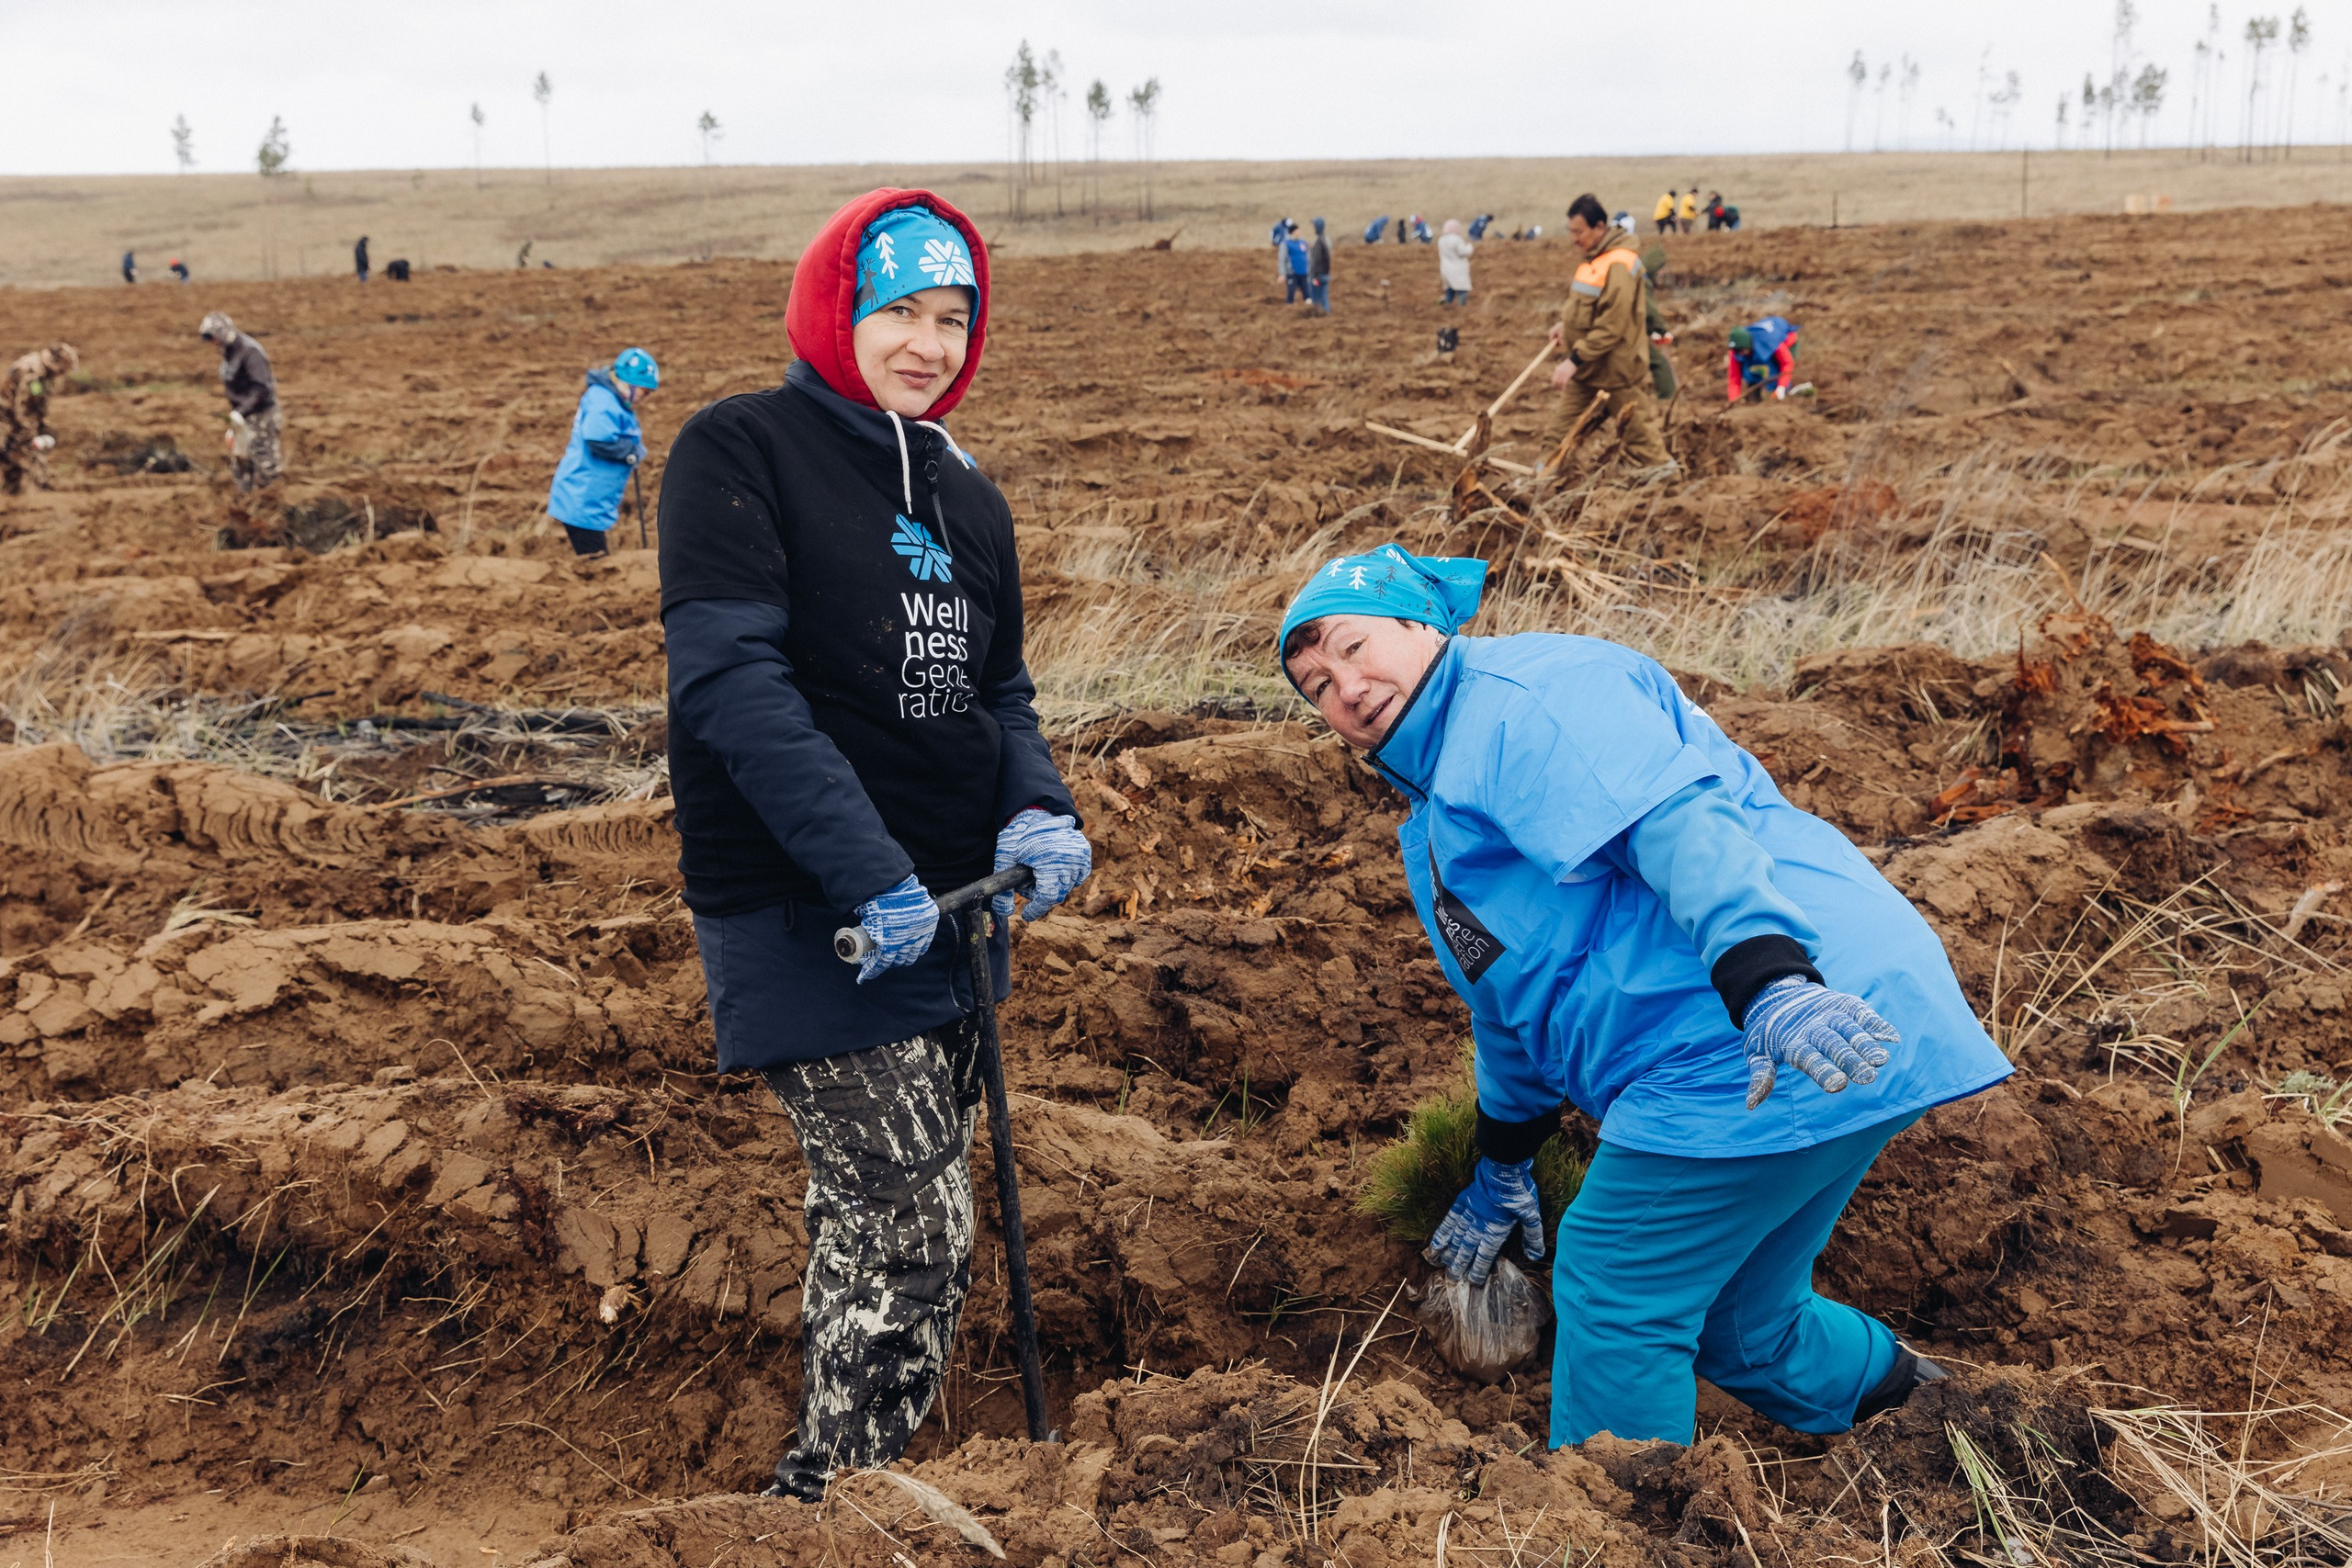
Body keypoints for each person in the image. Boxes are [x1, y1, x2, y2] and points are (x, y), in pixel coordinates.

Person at [1273, 545, 2011, 1452]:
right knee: (1741, 1321)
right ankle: (1947, 1426)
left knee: (1616, 1279)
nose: (1343, 687)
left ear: (1424, 624)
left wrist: (1769, 978)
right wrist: (1504, 1158)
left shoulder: (1523, 700)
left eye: (1355, 646)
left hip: (1772, 1027)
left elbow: (1676, 824)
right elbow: (1509, 996)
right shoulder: (1437, 815)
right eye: (1314, 684)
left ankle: (1619, 1520)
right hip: (1798, 1029)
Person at [656, 187, 1090, 1504]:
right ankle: (841, 1500)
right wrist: (866, 869)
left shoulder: (968, 490)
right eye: (898, 307)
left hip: (954, 912)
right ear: (836, 308)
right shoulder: (740, 449)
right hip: (816, 913)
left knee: (880, 1203)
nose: (928, 341)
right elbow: (733, 683)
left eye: (953, 316)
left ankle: (842, 1470)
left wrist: (1040, 805)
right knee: (914, 1221)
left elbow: (996, 691)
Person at [1542, 194, 1673, 481]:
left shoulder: (1620, 264)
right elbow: (1587, 306)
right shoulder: (1594, 259)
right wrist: (1565, 324)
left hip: (1615, 374)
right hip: (1589, 372)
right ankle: (1538, 486)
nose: (1574, 239)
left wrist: (1573, 361)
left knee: (1642, 441)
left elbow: (1611, 325)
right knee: (1556, 436)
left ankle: (1671, 489)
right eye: (1571, 231)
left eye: (1579, 232)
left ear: (1599, 227)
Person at [547, 348, 658, 556]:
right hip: (582, 500)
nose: (646, 398)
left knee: (595, 556)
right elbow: (597, 439)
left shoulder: (614, 400)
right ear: (629, 383)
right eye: (645, 391)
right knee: (595, 563)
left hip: (592, 501)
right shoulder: (602, 400)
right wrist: (631, 452)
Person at [198, 311, 281, 491]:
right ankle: (246, 504)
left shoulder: (250, 352)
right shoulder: (229, 352)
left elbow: (263, 388)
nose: (213, 343)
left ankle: (272, 505)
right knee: (242, 465)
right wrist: (236, 419)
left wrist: (240, 412)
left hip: (261, 416)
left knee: (265, 464)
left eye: (213, 338)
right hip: (243, 417)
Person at [2, 342, 78, 496]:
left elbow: (37, 404)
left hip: (16, 419)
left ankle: (16, 492)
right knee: (17, 455)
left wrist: (42, 426)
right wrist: (29, 431)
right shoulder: (30, 372)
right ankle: (30, 491)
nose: (62, 374)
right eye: (62, 370)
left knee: (20, 455)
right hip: (6, 419)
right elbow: (21, 407)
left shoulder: (42, 373)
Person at [1727, 316, 1801, 402]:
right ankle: (1754, 396)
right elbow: (1734, 377)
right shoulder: (1736, 350)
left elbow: (1787, 363)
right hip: (1757, 350)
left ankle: (1784, 394)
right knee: (1750, 371)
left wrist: (1781, 386)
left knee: (1774, 372)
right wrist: (1733, 400)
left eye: (1741, 350)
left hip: (1786, 340)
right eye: (1736, 351)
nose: (1739, 353)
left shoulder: (1771, 342)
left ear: (1748, 345)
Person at [1437, 219, 1474, 306]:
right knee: (1463, 290)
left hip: (1445, 269)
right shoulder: (1456, 239)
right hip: (1457, 269)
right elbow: (1463, 252)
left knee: (1449, 289)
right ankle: (1461, 309)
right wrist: (1470, 247)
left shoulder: (1441, 240)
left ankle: (1446, 306)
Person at [1307, 217, 1332, 315]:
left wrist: (1312, 275)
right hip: (1325, 273)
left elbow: (1315, 260)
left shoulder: (1319, 242)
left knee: (1316, 296)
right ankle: (1326, 312)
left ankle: (1319, 313)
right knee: (1324, 295)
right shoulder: (1325, 240)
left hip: (1318, 275)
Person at [1283, 226, 1313, 305]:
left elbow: (1308, 256)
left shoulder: (1303, 243)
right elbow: (1282, 259)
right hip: (1292, 273)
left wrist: (1309, 268)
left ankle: (1309, 311)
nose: (1299, 232)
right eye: (1297, 231)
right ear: (1292, 232)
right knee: (1291, 294)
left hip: (1304, 272)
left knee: (1307, 294)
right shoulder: (1286, 244)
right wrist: (1282, 273)